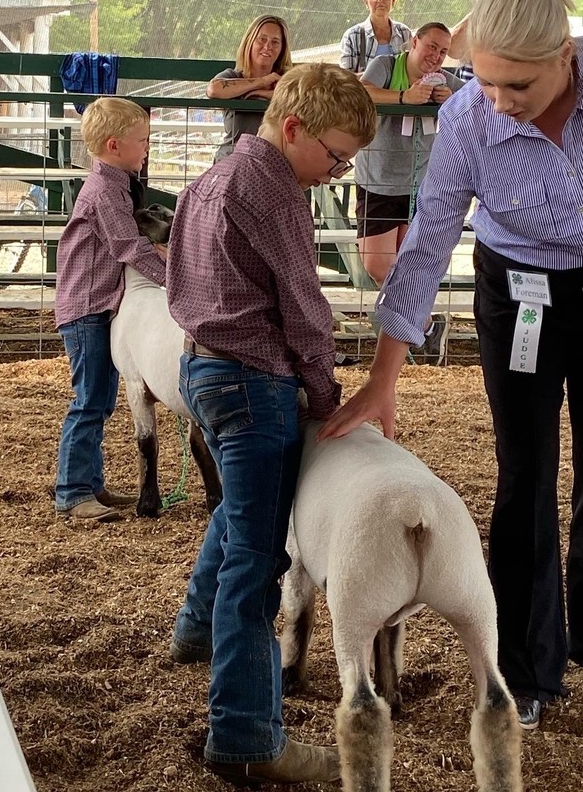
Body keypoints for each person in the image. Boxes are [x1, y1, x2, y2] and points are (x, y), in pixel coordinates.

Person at [318, 0, 583, 733]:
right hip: (521, 293)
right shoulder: (468, 119)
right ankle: (528, 669)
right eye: (487, 79)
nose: (498, 98)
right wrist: (383, 374)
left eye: (520, 85)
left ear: (565, 57)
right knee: (525, 473)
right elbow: (428, 243)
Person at [166, 63, 376, 784]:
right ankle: (247, 737)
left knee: (238, 514)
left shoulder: (214, 176)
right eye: (334, 154)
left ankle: (194, 631)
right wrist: (325, 394)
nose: (336, 169)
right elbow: (303, 309)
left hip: (201, 366)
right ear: (293, 129)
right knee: (256, 568)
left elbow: (176, 276)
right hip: (255, 381)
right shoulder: (273, 193)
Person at [53, 97, 167, 523]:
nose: (147, 148)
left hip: (94, 304)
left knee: (98, 399)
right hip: (87, 307)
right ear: (115, 145)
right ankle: (72, 491)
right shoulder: (105, 191)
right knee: (90, 400)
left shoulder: (114, 186)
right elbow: (128, 246)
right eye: (143, 141)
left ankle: (89, 481)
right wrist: (175, 280)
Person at [357, 22, 465, 363]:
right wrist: (404, 98)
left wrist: (453, 98)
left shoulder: (446, 80)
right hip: (380, 179)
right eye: (430, 47)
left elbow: (477, 98)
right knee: (379, 265)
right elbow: (361, 92)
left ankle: (406, 336)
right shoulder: (387, 65)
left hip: (423, 182)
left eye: (443, 51)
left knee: (409, 264)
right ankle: (426, 324)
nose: (435, 56)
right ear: (414, 42)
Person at [208, 14, 293, 162]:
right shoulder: (232, 75)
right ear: (250, 41)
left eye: (275, 42)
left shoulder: (287, 79)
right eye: (262, 39)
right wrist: (261, 82)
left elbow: (306, 99)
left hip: (274, 162)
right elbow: (213, 89)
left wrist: (265, 94)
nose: (268, 47)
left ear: (282, 49)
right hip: (234, 159)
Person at [340, 0, 412, 76]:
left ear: (393, 0)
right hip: (364, 92)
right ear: (366, 2)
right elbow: (345, 79)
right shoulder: (352, 36)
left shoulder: (404, 33)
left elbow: (413, 70)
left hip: (400, 92)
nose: (380, 0)